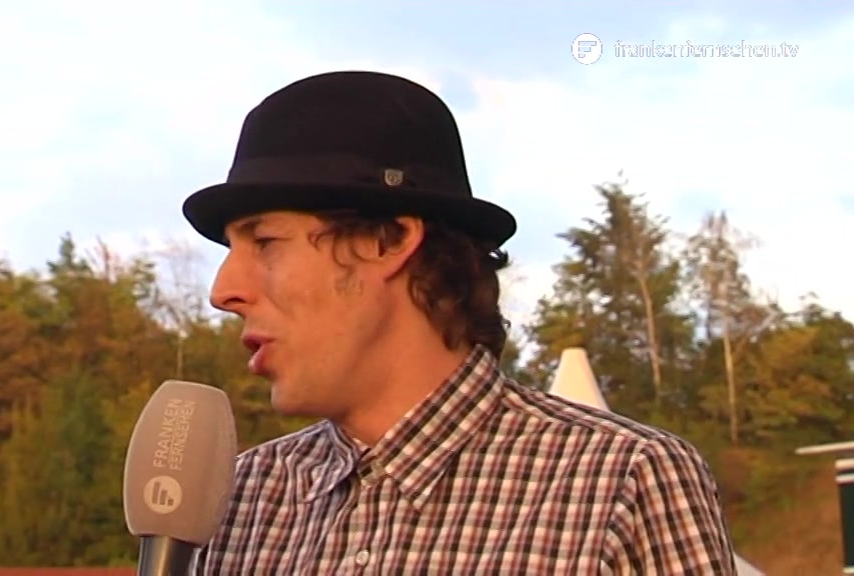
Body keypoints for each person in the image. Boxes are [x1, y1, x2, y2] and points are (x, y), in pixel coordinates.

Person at [182, 71, 737, 574]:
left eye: (265, 242)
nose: (224, 291)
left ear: (389, 240)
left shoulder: (623, 480)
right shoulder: (234, 501)